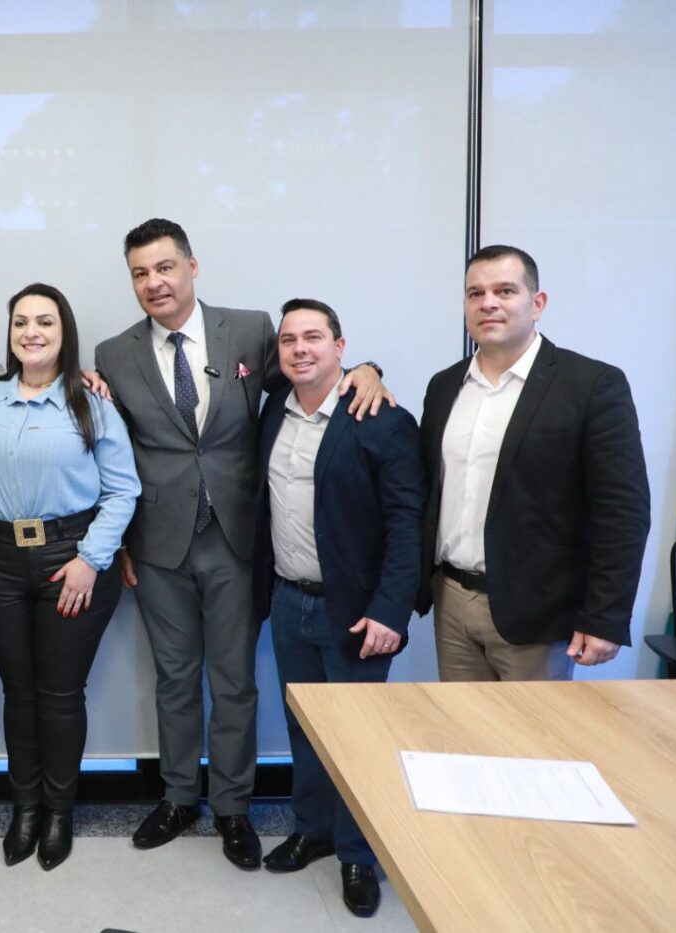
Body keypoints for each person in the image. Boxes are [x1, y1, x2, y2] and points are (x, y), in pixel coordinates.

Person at [93, 218, 389, 869]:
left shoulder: (250, 329)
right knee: (174, 678)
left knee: (233, 681)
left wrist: (368, 368)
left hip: (237, 539)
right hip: (157, 545)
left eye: (164, 267)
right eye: (140, 273)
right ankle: (178, 796)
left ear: (192, 266)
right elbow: (111, 447)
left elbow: (311, 368)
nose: (154, 282)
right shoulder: (113, 353)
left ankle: (232, 806)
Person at [253, 299, 424, 918]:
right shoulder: (274, 407)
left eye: (314, 337)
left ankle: (357, 854)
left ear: (341, 347)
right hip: (288, 600)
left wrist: (391, 612)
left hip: (355, 611)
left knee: (357, 739)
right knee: (303, 728)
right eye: (288, 340)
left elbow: (408, 523)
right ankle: (314, 830)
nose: (300, 349)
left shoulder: (380, 419)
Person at [417, 245, 650, 681]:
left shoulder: (591, 385)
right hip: (451, 601)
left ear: (537, 303)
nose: (488, 303)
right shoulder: (444, 386)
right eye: (475, 293)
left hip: (540, 611)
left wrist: (605, 616)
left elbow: (623, 512)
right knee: (461, 724)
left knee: (533, 728)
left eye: (505, 291)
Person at [0, 283, 140, 871]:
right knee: (18, 692)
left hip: (73, 560)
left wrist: (91, 560)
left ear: (65, 332)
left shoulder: (91, 403)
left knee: (61, 695)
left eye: (45, 321)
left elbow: (123, 490)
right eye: (21, 322)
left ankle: (60, 812)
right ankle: (25, 809)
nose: (31, 332)